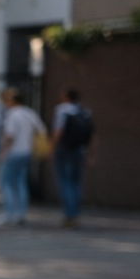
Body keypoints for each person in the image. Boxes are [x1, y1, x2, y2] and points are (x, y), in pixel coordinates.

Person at [0, 86, 45, 226]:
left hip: (14, 152)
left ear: (11, 100)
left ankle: (10, 214)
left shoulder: (13, 114)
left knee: (6, 182)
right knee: (20, 182)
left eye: (6, 100)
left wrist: (2, 152)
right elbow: (41, 130)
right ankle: (21, 213)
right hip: (27, 152)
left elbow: (9, 136)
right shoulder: (29, 113)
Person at [51, 88, 95, 229]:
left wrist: (51, 148)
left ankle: (69, 215)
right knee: (76, 183)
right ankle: (75, 214)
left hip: (64, 150)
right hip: (80, 150)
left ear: (65, 96)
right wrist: (90, 154)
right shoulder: (85, 111)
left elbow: (58, 131)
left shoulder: (62, 110)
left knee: (65, 181)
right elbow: (93, 135)